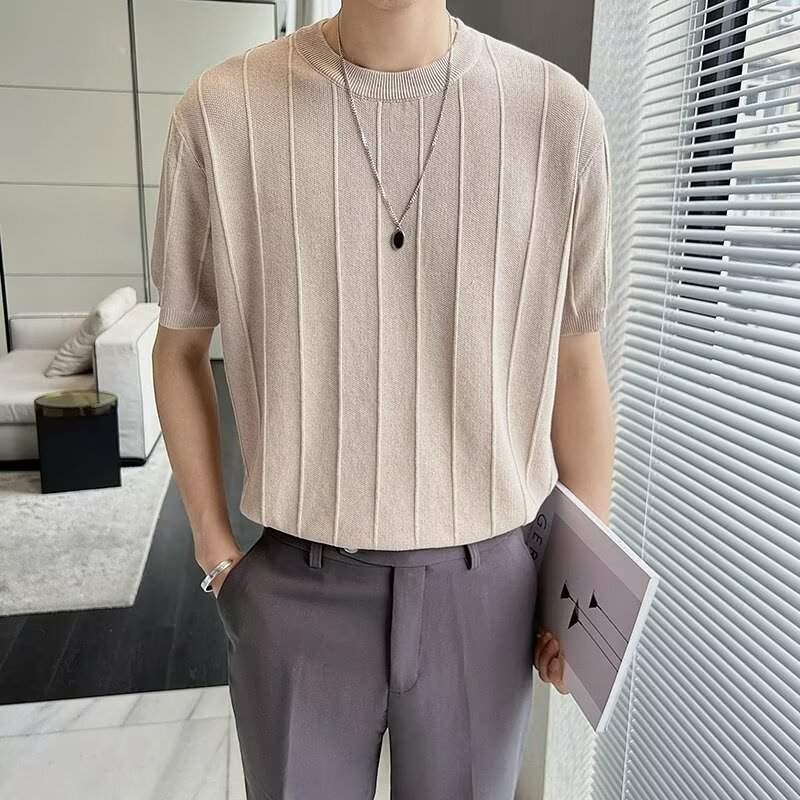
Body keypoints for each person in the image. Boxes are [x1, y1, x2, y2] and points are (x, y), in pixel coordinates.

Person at [150, 1, 614, 797]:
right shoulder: (223, 113)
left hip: (489, 597)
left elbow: (575, 361)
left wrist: (583, 603)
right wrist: (217, 555)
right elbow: (180, 344)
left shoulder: (557, 117)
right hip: (295, 592)